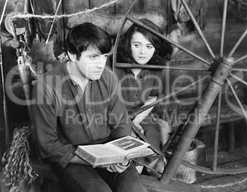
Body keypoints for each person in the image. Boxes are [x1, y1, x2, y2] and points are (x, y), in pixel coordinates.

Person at [30, 22, 147, 192]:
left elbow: (121, 122)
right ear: (72, 54)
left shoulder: (107, 77)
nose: (101, 64)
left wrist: (122, 157)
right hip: (73, 158)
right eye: (93, 57)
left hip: (109, 151)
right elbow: (48, 145)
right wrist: (93, 160)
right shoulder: (46, 87)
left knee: (134, 189)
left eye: (104, 56)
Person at [116, 19, 173, 173]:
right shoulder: (115, 66)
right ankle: (132, 178)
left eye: (149, 46)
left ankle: (140, 176)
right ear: (128, 45)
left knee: (150, 137)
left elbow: (153, 98)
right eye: (136, 45)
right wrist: (129, 124)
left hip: (142, 116)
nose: (143, 52)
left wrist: (137, 120)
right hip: (115, 119)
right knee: (130, 140)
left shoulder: (156, 69)